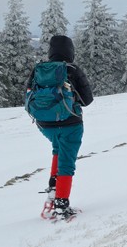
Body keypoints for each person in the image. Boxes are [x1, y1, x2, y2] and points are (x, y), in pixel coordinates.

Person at [31, 34, 94, 220]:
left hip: (44, 124)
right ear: (70, 51)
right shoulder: (72, 69)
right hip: (70, 123)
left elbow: (29, 94)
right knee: (67, 162)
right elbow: (87, 100)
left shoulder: (39, 69)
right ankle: (61, 205)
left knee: (57, 149)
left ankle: (53, 188)